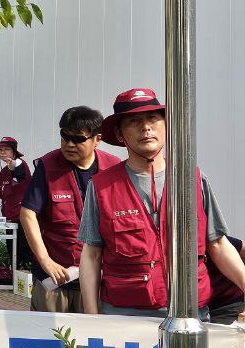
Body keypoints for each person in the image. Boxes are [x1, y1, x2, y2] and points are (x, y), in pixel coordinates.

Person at [79, 88, 245, 317]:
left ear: (166, 126)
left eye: (153, 118)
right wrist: (91, 315)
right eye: (134, 121)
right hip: (123, 318)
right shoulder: (100, 187)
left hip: (189, 315)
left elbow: (217, 243)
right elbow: (91, 254)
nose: (145, 127)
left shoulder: (192, 179)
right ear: (119, 133)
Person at [18, 107, 119, 312]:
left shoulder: (113, 168)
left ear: (97, 139)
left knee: (91, 339)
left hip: (98, 280)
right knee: (48, 340)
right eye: (64, 136)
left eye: (78, 139)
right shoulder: (48, 165)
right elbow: (28, 214)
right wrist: (46, 261)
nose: (69, 144)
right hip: (54, 280)